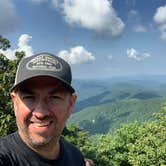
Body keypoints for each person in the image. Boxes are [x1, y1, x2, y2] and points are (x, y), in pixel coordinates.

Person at [0, 53, 94, 166]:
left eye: (54, 97)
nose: (41, 113)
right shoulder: (4, 157)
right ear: (14, 103)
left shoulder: (75, 156)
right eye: (29, 97)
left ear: (71, 104)